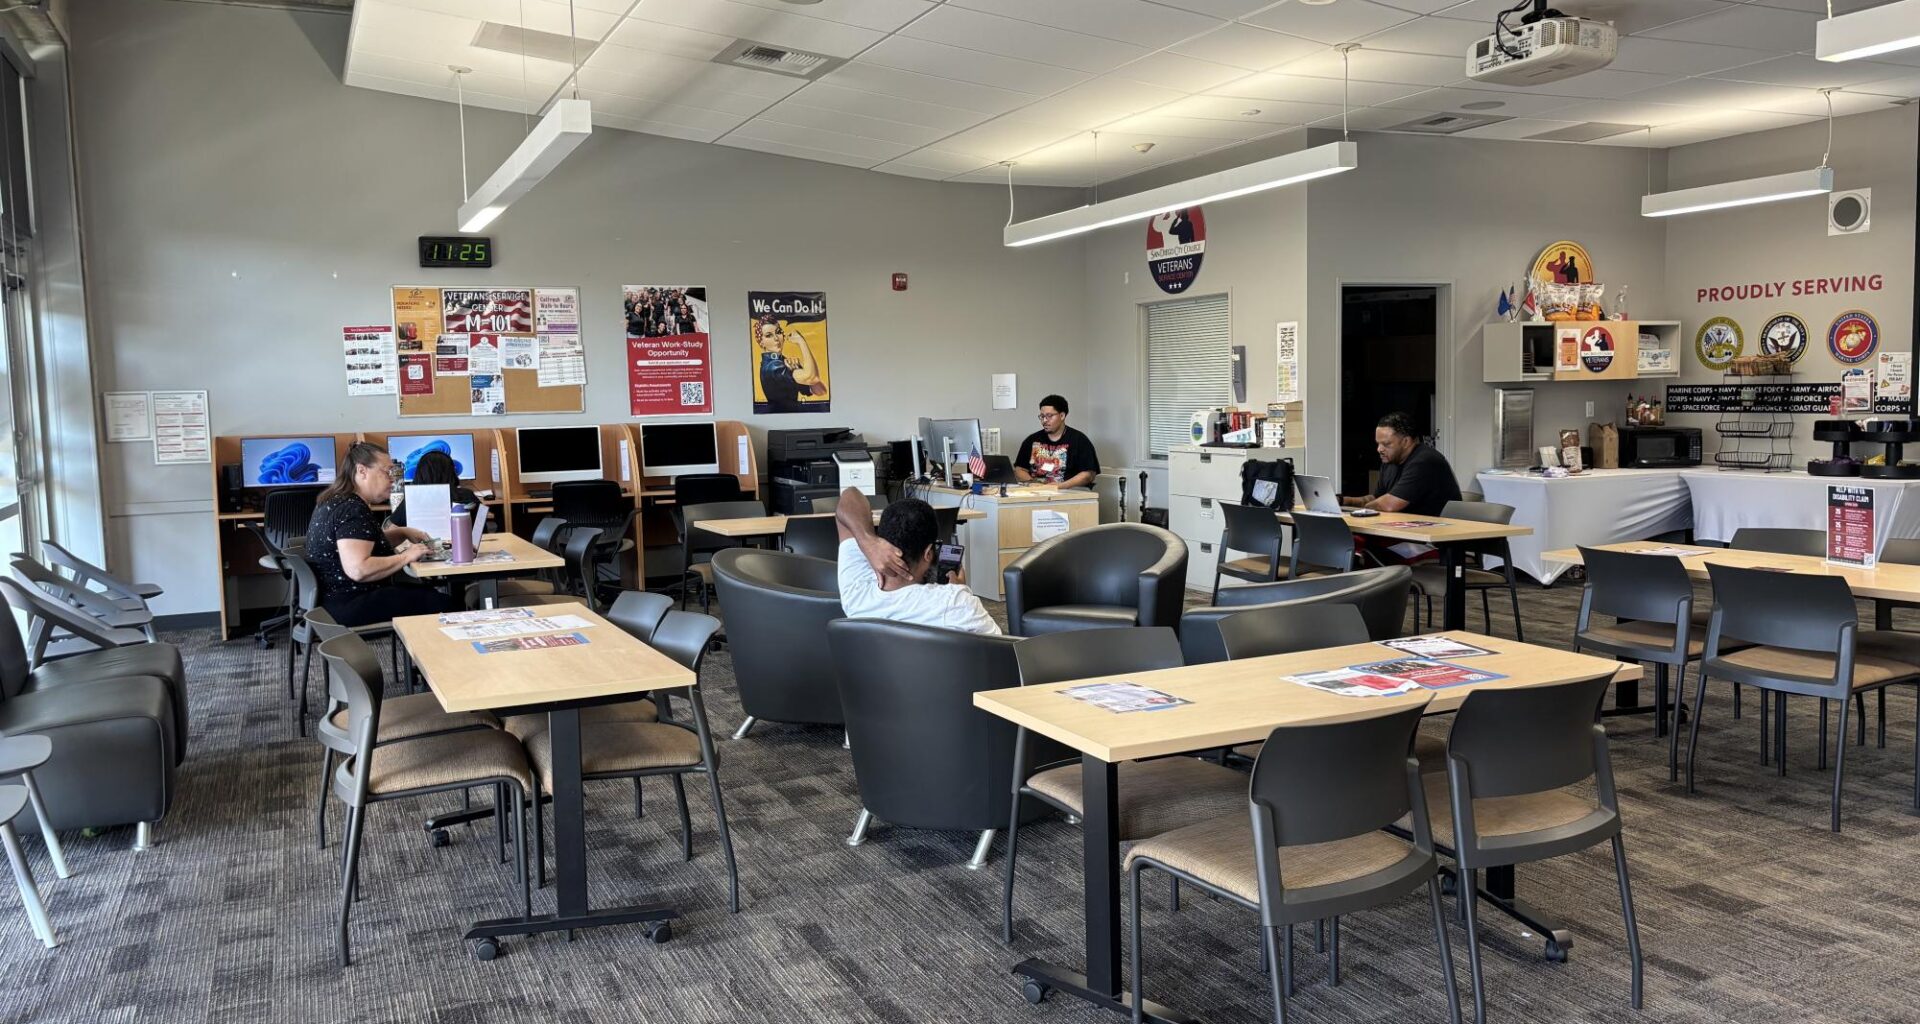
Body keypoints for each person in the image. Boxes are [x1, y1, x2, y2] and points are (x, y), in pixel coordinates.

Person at [303, 441, 457, 626]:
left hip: (332, 600)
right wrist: (406, 556)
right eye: (387, 472)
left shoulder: (334, 500)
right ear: (362, 471)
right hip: (349, 603)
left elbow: (359, 542)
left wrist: (401, 532)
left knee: (426, 594)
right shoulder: (352, 510)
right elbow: (359, 569)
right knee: (447, 605)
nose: (393, 479)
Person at [833, 487, 999, 635]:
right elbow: (1007, 655)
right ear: (928, 553)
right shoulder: (955, 602)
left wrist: (867, 540)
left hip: (876, 670)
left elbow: (849, 495)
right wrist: (961, 591)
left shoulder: (856, 590)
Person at [1341, 411, 1461, 517]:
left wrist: (1362, 511)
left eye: (1386, 444)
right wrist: (1343, 501)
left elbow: (1389, 505)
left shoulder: (1425, 461)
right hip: (1407, 533)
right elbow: (1376, 499)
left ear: (1405, 441)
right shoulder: (1390, 461)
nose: (1379, 449)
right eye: (1378, 444)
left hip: (1435, 537)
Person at [1013, 394, 1099, 488]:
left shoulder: (1079, 440)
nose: (1044, 420)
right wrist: (1032, 482)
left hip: (1068, 494)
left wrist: (1060, 486)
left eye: (1049, 416)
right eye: (1042, 416)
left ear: (1062, 416)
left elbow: (1088, 474)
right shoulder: (1032, 440)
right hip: (1036, 493)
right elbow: (1020, 469)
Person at [388, 449, 479, 532]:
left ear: (420, 473)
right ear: (452, 472)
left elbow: (392, 529)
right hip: (462, 546)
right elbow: (480, 528)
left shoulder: (412, 499)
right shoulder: (467, 495)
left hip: (423, 547)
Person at [755, 316, 822, 413]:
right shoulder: (772, 366)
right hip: (781, 418)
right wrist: (802, 342)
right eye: (769, 335)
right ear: (761, 343)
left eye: (778, 332)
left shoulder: (783, 362)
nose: (776, 338)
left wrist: (798, 369)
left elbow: (819, 390)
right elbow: (812, 378)